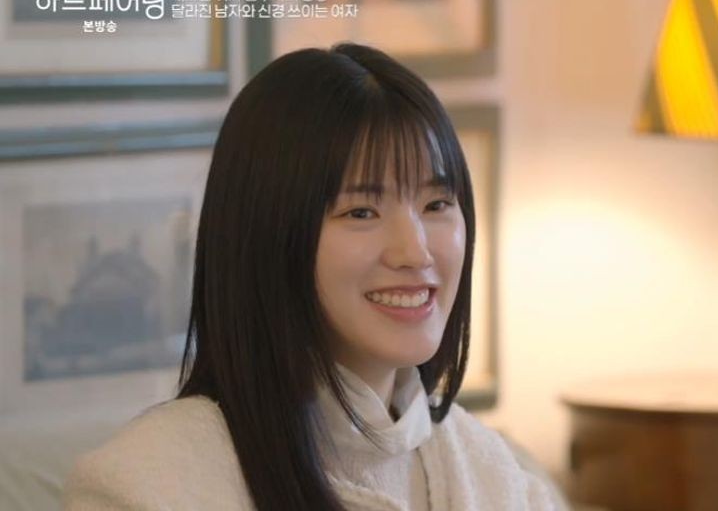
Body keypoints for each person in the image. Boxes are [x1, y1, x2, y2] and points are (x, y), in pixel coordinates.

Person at [64, 43, 569, 510]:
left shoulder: (496, 476)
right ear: (268, 235)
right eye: (361, 212)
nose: (415, 251)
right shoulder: (145, 487)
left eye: (436, 204)